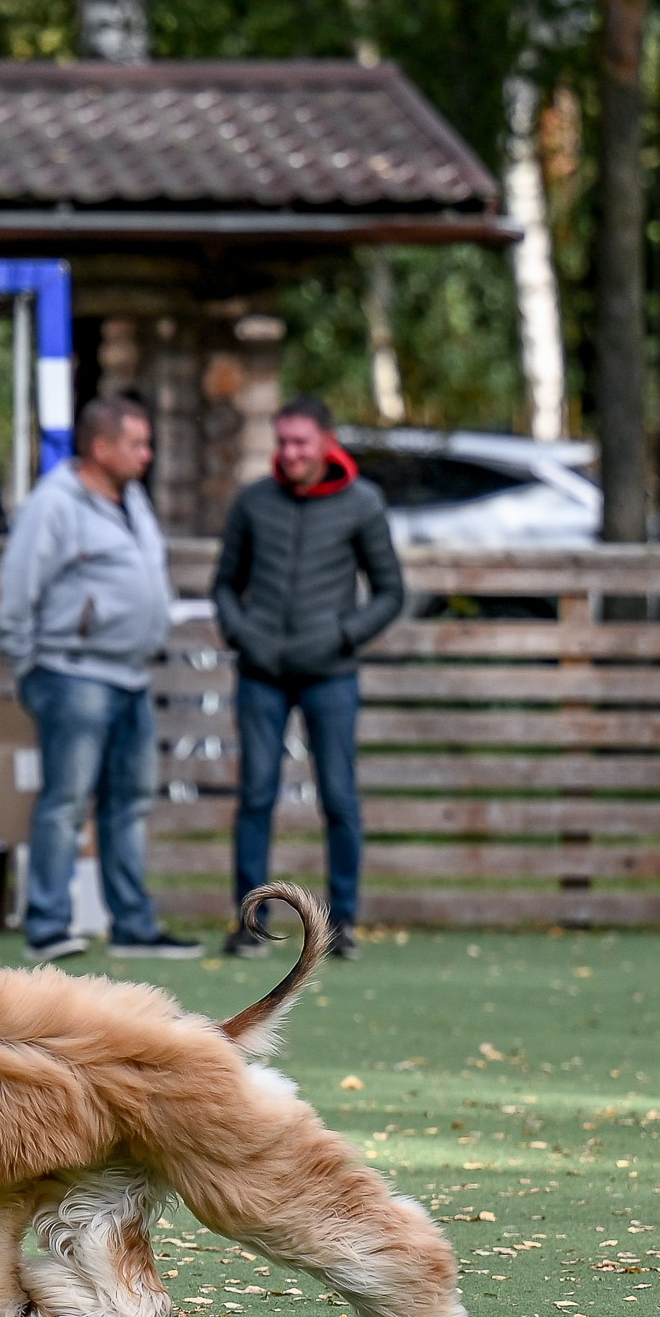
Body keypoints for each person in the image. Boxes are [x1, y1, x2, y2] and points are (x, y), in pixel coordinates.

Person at [0, 395, 200, 964]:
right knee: (66, 800)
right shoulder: (54, 504)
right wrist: (26, 665)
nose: (147, 455)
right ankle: (48, 925)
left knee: (130, 801)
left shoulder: (133, 499)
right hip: (72, 672)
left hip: (132, 676)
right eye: (137, 443)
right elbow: (18, 584)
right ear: (101, 447)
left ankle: (134, 924)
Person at [213, 397, 405, 962]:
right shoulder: (253, 503)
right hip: (261, 675)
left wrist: (344, 635)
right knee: (256, 796)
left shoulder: (362, 503)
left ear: (327, 442)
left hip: (331, 676)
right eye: (283, 443)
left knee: (340, 797)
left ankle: (342, 923)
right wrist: (244, 634)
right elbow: (225, 584)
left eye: (301, 443)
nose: (291, 454)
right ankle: (250, 923)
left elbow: (391, 591)